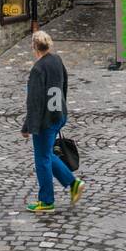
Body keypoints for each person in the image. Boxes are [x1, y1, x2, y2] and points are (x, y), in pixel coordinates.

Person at [20, 30, 84, 212]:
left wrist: (27, 127)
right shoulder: (57, 60)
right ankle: (73, 184)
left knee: (42, 159)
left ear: (34, 47)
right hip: (58, 115)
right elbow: (64, 86)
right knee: (48, 154)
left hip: (44, 121)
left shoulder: (38, 69)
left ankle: (46, 201)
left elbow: (34, 102)